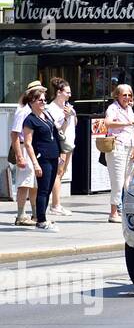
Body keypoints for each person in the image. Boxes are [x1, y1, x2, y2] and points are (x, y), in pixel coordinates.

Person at [20, 87, 63, 231]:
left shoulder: (47, 115)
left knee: (49, 188)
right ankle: (41, 221)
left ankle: (40, 216)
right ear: (32, 102)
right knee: (43, 189)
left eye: (45, 100)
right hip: (42, 157)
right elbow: (27, 143)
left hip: (53, 155)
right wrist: (35, 163)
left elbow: (55, 134)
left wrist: (60, 154)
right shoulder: (30, 120)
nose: (43, 102)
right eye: (40, 100)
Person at [103, 84, 134, 224]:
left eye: (129, 95)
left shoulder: (130, 110)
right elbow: (107, 123)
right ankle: (113, 212)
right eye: (124, 95)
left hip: (129, 148)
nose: (127, 97)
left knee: (128, 182)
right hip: (117, 147)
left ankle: (124, 210)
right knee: (118, 181)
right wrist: (125, 124)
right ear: (117, 96)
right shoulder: (113, 108)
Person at [9, 79, 44, 226]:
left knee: (34, 184)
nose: (43, 97)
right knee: (24, 184)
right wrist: (19, 156)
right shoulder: (22, 111)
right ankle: (20, 215)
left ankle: (35, 214)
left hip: (35, 148)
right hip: (24, 148)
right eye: (40, 93)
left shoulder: (37, 111)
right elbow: (15, 135)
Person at [47, 78, 76, 217]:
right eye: (67, 92)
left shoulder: (68, 106)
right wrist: (65, 117)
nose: (69, 95)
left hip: (69, 143)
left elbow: (74, 123)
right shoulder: (51, 108)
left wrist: (71, 114)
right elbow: (57, 130)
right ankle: (55, 205)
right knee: (58, 173)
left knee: (62, 172)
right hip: (59, 144)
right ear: (59, 92)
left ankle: (56, 203)